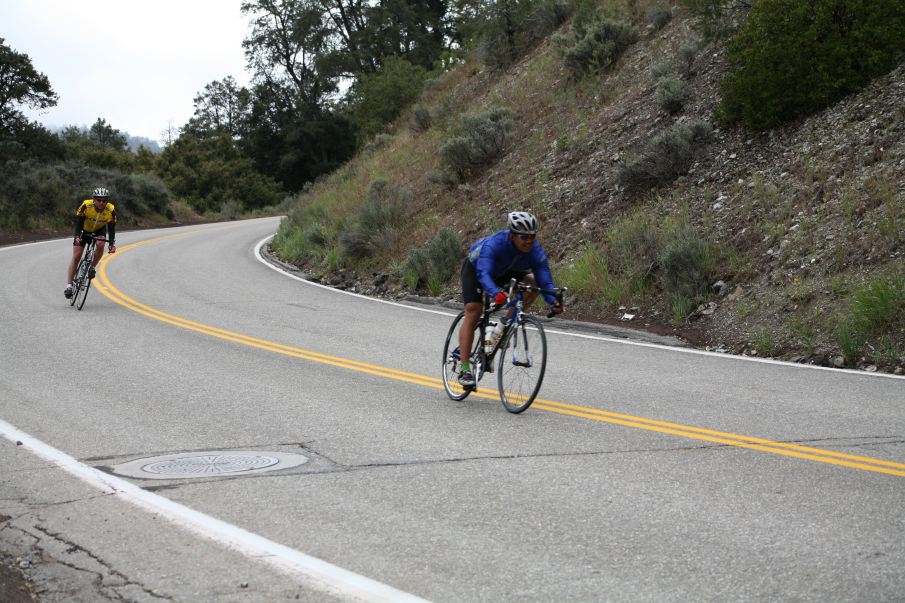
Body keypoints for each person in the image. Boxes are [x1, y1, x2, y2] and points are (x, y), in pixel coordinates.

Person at [457, 211, 563, 389]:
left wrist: (553, 300)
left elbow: (545, 279)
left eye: (532, 236)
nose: (529, 241)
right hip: (478, 269)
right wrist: (495, 292)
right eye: (524, 237)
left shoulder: (535, 250)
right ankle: (465, 368)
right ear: (512, 236)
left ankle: (504, 324)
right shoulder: (495, 244)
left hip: (508, 270)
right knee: (474, 309)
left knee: (535, 284)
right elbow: (484, 273)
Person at [64, 187, 117, 298]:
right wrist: (77, 237)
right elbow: (78, 222)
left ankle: (91, 267)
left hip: (99, 230)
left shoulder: (110, 209)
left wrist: (111, 244)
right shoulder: (86, 205)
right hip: (84, 229)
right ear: (94, 199)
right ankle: (69, 285)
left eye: (104, 200)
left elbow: (111, 227)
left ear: (107, 201)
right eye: (98, 200)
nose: (101, 202)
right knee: (76, 257)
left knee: (101, 244)